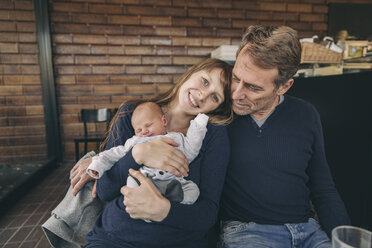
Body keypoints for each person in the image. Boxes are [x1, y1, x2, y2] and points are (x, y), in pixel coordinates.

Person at [69, 58, 234, 248]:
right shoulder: (133, 113)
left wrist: (165, 210)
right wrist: (137, 154)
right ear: (192, 72)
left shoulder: (213, 134)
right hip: (116, 239)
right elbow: (105, 191)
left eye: (215, 97)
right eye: (205, 81)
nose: (203, 95)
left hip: (178, 242)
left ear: (217, 107)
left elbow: (208, 214)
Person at [218, 25, 350, 248]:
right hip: (247, 232)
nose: (237, 93)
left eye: (253, 87)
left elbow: (323, 188)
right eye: (235, 78)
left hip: (307, 231)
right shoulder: (218, 114)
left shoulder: (306, 114)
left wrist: (343, 240)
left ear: (284, 87)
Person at [87, 101, 210, 205]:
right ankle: (144, 204)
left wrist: (199, 123)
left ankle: (174, 199)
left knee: (193, 190)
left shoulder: (176, 138)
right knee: (131, 183)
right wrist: (97, 165)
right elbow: (113, 154)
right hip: (144, 181)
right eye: (138, 130)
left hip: (172, 181)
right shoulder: (135, 141)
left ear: (164, 120)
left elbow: (192, 147)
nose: (144, 131)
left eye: (148, 125)